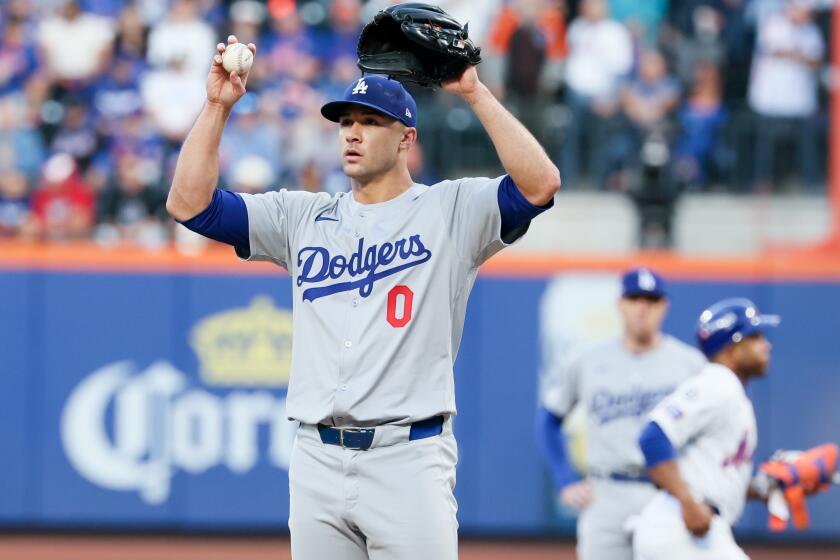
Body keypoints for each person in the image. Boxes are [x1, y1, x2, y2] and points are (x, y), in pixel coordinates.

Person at [165, 35, 559, 560]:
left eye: (371, 121)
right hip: (316, 459)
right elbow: (189, 204)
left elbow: (539, 185)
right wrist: (217, 106)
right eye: (346, 121)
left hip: (409, 458)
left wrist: (474, 93)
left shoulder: (451, 210)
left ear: (405, 138)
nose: (352, 133)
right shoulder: (302, 217)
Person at [537, 267, 706, 560]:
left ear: (664, 306)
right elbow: (549, 420)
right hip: (606, 492)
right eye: (635, 298)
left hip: (666, 493)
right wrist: (565, 479)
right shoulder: (587, 359)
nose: (643, 308)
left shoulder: (690, 364)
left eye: (651, 300)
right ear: (620, 304)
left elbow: (709, 432)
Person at [633, 298, 780, 560]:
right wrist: (688, 503)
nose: (765, 345)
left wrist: (764, 487)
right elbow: (653, 436)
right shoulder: (716, 384)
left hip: (690, 530)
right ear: (731, 348)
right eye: (755, 336)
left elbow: (716, 475)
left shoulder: (731, 393)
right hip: (680, 529)